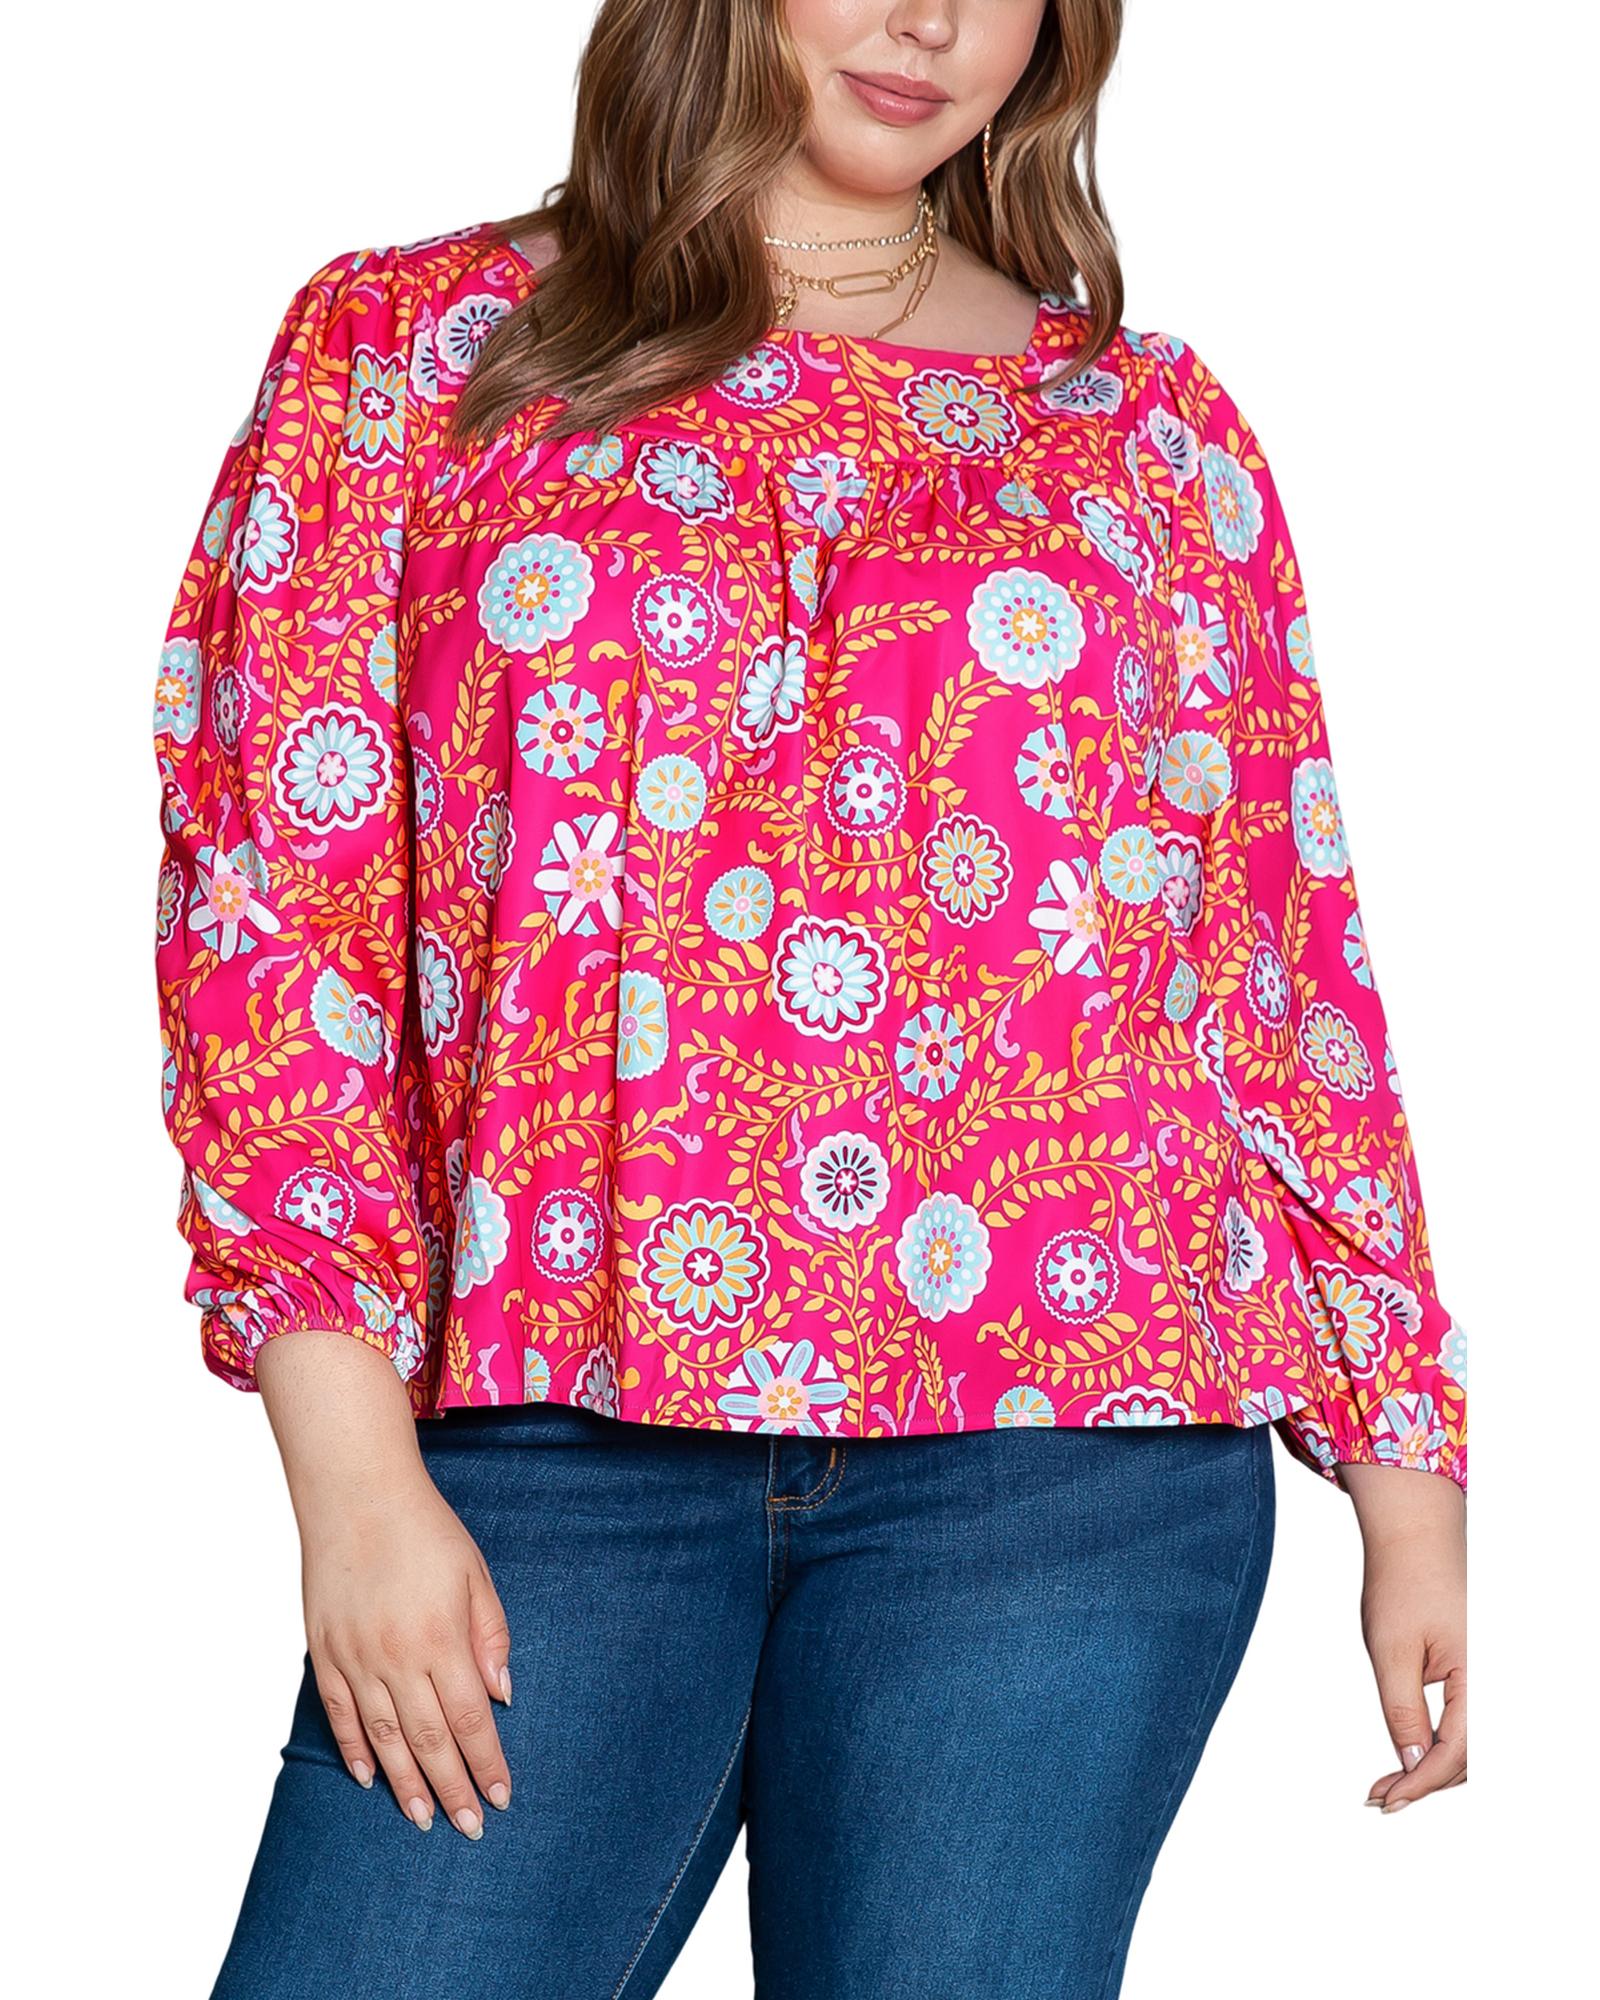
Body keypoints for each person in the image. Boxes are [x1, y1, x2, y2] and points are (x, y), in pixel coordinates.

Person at [149, 1, 1467, 1993]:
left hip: (1072, 1460)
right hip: (551, 1435)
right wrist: (349, 1478)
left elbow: (1273, 949)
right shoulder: (413, 351)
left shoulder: (1145, 429)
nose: (932, 21)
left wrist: (1406, 1462)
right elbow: (278, 909)